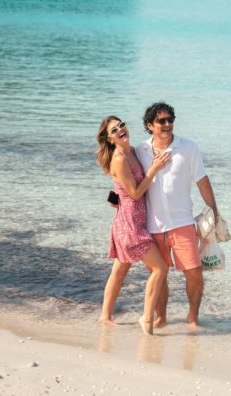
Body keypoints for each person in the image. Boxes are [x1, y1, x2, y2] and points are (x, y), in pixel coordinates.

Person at [136, 102, 219, 328]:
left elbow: (201, 179)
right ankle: (161, 318)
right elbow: (128, 180)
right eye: (161, 121)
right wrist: (116, 202)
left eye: (170, 119)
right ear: (149, 125)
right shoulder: (141, 151)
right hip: (153, 225)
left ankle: (193, 317)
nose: (167, 124)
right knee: (158, 274)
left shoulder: (189, 147)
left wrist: (214, 210)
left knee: (194, 272)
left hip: (182, 223)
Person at [95, 115, 170, 335]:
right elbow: (136, 193)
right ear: (110, 139)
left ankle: (104, 317)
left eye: (121, 125)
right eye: (114, 130)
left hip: (132, 220)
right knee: (160, 268)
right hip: (130, 225)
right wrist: (154, 169)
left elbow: (121, 188)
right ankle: (146, 319)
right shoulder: (119, 158)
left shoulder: (134, 152)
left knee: (119, 272)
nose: (120, 130)